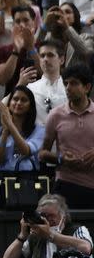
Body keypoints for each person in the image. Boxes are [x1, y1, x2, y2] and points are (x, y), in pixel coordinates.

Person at [40, 64, 94, 208]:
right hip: (66, 185)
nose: (68, 88)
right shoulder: (56, 115)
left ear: (87, 87)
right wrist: (60, 158)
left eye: (74, 83)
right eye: (66, 83)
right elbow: (42, 153)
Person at [0, 194, 92, 258]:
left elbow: (86, 248)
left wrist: (50, 235)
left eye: (51, 216)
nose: (47, 219)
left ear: (63, 216)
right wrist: (22, 236)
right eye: (43, 215)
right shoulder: (35, 237)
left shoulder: (77, 230)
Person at [25, 39, 67, 126]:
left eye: (50, 55)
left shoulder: (70, 88)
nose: (45, 59)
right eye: (42, 56)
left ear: (62, 60)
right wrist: (20, 85)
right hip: (37, 138)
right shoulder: (30, 88)